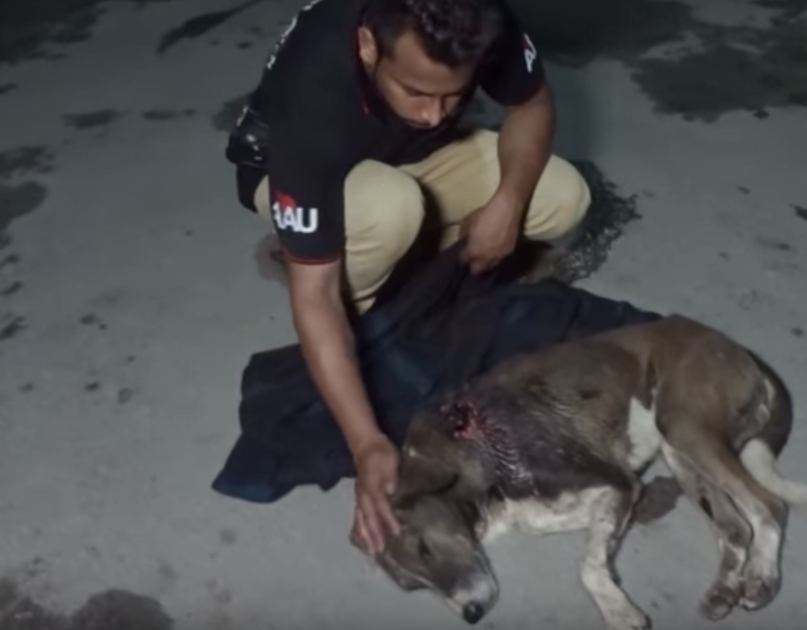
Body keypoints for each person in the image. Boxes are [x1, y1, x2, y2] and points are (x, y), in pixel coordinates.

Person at [224, 0, 592, 556]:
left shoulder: (476, 19)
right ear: (369, 46)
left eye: (452, 95)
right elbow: (317, 299)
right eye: (416, 91)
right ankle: (323, 254)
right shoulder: (314, 89)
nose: (434, 113)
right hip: (293, 171)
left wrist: (509, 203)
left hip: (408, 157)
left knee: (563, 197)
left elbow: (533, 102)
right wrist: (366, 442)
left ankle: (405, 244)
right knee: (388, 213)